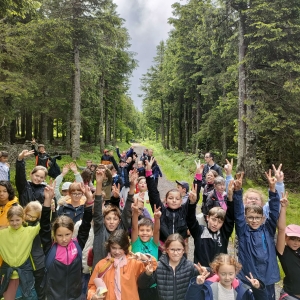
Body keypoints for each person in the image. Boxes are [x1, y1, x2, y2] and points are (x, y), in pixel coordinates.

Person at [234, 170, 280, 300]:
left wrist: (272, 190)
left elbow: (274, 212)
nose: (254, 220)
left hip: (267, 277)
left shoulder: (268, 230)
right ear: (246, 218)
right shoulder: (243, 231)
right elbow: (237, 214)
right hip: (247, 276)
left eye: (257, 218)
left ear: (262, 218)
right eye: (251, 217)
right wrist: (238, 192)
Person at [87, 229, 157, 300]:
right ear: (109, 246)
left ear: (126, 247)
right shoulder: (101, 264)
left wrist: (143, 257)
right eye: (114, 248)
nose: (117, 252)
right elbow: (92, 286)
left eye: (120, 248)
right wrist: (92, 296)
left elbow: (153, 265)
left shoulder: (133, 262)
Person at [86, 167, 134, 269]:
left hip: (118, 273)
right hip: (99, 274)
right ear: (103, 220)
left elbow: (127, 209)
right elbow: (98, 207)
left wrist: (132, 186)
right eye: (108, 219)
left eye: (115, 219)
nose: (111, 222)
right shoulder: (99, 229)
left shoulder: (122, 228)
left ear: (120, 221)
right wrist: (99, 183)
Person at [138, 233, 203, 300]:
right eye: (172, 249)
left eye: (178, 250)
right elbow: (142, 285)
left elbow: (210, 272)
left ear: (183, 250)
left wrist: (205, 270)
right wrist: (147, 274)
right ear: (166, 250)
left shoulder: (189, 266)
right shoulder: (159, 266)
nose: (175, 253)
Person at [187, 177, 234, 266]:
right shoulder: (199, 231)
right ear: (208, 218)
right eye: (213, 219)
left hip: (218, 274)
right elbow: (190, 220)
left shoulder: (224, 233)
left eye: (220, 222)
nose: (215, 224)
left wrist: (230, 199)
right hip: (201, 273)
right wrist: (192, 204)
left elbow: (230, 218)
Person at [0, 205, 41, 300]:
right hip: (7, 275)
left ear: (23, 219)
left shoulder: (29, 231)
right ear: (8, 220)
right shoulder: (2, 234)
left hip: (25, 274)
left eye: (17, 220)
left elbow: (44, 223)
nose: (14, 223)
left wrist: (48, 205)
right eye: (11, 220)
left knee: (28, 296)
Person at [185, 254, 265, 300]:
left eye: (230, 274)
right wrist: (196, 285)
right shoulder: (208, 288)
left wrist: (257, 289)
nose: (227, 278)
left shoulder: (242, 289)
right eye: (223, 274)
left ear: (236, 272)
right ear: (216, 272)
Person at [276, 192, 300, 300]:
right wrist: (283, 208)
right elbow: (281, 230)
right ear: (286, 238)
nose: (296, 242)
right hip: (290, 296)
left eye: (299, 240)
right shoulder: (283, 251)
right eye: (292, 239)